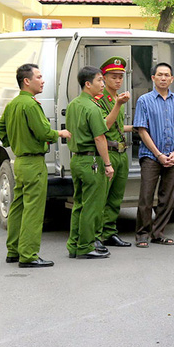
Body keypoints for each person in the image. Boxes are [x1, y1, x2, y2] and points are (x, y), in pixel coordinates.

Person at [0, 63, 71, 268]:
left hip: (19, 161)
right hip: (33, 162)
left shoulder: (13, 104)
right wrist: (60, 133)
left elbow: (1, 130)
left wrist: (16, 141)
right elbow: (44, 132)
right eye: (39, 77)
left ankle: (13, 250)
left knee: (18, 206)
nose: (43, 80)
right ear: (26, 81)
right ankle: (28, 254)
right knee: (34, 210)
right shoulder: (31, 104)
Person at [133, 62, 174, 248]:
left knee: (168, 198)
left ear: (172, 79)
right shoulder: (144, 100)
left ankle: (158, 233)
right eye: (160, 75)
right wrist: (158, 154)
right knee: (146, 196)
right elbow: (142, 130)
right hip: (151, 156)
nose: (163, 78)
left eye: (167, 75)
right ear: (153, 78)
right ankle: (142, 234)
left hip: (173, 156)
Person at [66, 66, 114, 259]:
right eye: (99, 80)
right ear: (88, 84)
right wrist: (108, 164)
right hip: (91, 160)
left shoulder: (74, 104)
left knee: (79, 203)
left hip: (77, 159)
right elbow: (100, 138)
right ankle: (86, 246)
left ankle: (74, 243)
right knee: (92, 206)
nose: (102, 84)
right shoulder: (92, 107)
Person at [94, 57, 133, 249]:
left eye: (120, 77)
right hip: (107, 153)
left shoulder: (117, 99)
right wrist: (118, 104)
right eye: (113, 77)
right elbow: (105, 126)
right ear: (104, 78)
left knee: (116, 197)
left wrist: (133, 127)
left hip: (121, 152)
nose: (118, 81)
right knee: (103, 196)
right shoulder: (100, 101)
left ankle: (110, 232)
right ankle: (97, 234)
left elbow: (116, 126)